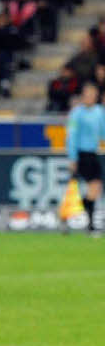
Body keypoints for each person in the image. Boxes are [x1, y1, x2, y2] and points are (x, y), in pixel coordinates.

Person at [64, 82, 104, 236]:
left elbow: (103, 133)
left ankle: (76, 214)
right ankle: (90, 225)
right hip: (81, 154)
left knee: (94, 189)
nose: (90, 98)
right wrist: (73, 158)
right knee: (93, 187)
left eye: (92, 95)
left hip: (93, 153)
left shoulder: (99, 112)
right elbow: (71, 137)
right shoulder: (77, 113)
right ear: (83, 96)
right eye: (87, 95)